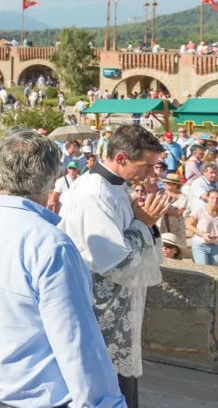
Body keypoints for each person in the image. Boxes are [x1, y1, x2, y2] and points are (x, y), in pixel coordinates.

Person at [0, 129, 126, 408]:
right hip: (35, 397)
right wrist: (105, 403)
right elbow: (76, 342)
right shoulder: (51, 245)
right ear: (52, 180)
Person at [59, 124, 170, 408]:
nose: (151, 173)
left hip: (118, 306)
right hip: (99, 306)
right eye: (146, 165)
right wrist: (143, 224)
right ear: (120, 158)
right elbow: (115, 262)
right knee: (105, 388)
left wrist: (143, 224)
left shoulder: (116, 187)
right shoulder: (94, 192)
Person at [186, 187, 218, 265]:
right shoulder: (199, 210)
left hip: (216, 245)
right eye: (212, 198)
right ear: (207, 198)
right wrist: (202, 234)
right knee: (203, 269)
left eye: (217, 198)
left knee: (215, 272)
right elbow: (189, 225)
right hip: (200, 243)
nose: (215, 200)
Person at [158, 173, 190, 243]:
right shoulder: (162, 194)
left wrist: (164, 210)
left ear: (175, 185)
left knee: (176, 245)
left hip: (176, 226)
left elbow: (179, 212)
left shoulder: (182, 197)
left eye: (168, 183)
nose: (165, 184)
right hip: (162, 224)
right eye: (165, 182)